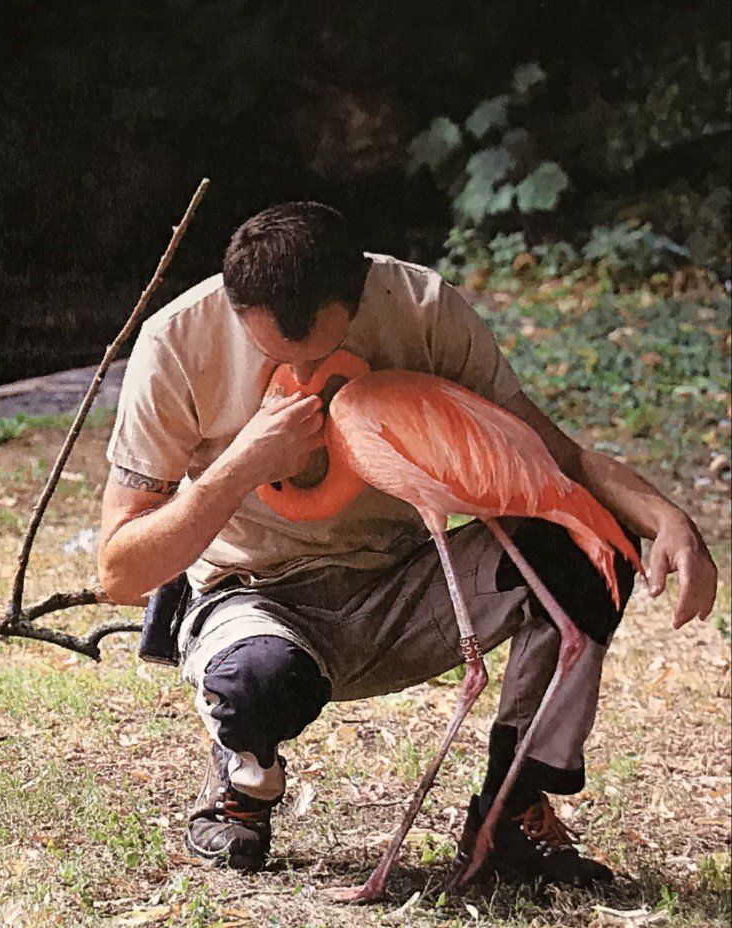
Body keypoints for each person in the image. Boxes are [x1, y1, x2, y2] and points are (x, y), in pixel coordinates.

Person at [97, 201, 719, 884]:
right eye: (279, 359)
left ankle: (510, 811)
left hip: (406, 583)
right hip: (255, 597)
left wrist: (667, 518)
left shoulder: (420, 308)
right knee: (256, 682)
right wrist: (241, 462)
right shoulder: (178, 341)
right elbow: (120, 572)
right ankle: (245, 785)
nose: (304, 383)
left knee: (587, 547)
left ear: (360, 296)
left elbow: (551, 454)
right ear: (234, 308)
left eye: (320, 358)